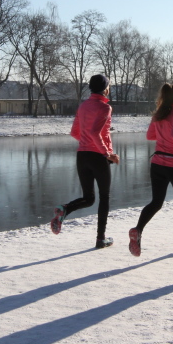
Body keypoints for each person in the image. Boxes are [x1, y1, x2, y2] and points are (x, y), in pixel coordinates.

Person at [128, 84, 173, 257]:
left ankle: (138, 229)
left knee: (156, 202)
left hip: (158, 164)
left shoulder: (159, 115)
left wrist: (166, 134)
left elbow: (150, 136)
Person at [50, 74, 120, 249]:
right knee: (104, 197)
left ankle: (65, 209)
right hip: (98, 158)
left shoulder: (83, 106)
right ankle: (100, 239)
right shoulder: (105, 107)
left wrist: (88, 143)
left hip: (82, 156)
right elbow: (95, 133)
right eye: (108, 86)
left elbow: (75, 132)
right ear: (105, 89)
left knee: (88, 198)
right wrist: (107, 154)